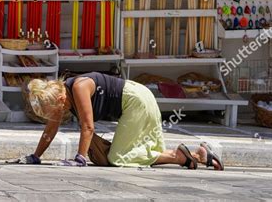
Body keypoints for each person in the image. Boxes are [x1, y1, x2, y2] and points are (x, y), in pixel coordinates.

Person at [11, 72, 224, 170]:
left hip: (136, 101)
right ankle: (197, 155)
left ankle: (180, 156)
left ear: (59, 99)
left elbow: (88, 126)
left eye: (54, 109)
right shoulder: (62, 97)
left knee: (118, 158)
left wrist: (79, 159)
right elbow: (50, 129)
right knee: (115, 155)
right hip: (133, 103)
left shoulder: (78, 87)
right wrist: (35, 156)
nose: (57, 114)